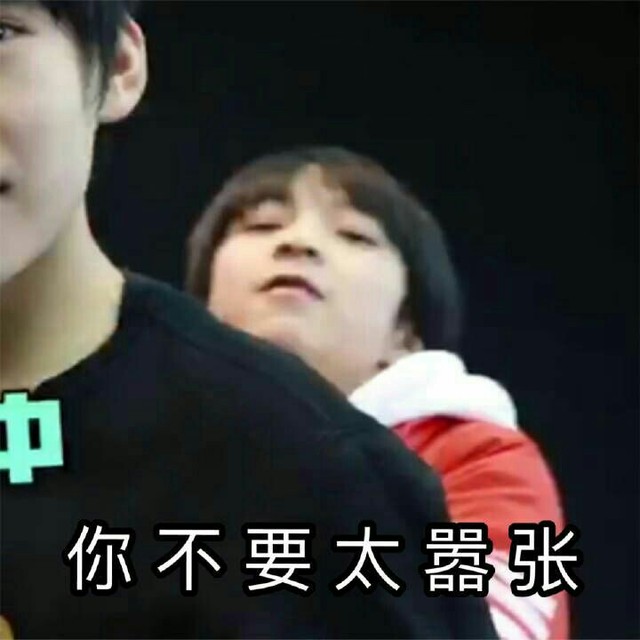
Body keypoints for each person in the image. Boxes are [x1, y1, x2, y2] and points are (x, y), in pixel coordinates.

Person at [0, 3, 498, 638]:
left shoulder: (317, 481)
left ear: (119, 65)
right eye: (262, 225)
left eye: (1, 32)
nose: (297, 246)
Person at [186, 146, 570, 639]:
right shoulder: (131, 449)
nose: (299, 242)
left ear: (406, 334)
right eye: (263, 225)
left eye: (355, 235)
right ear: (200, 308)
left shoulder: (474, 456)